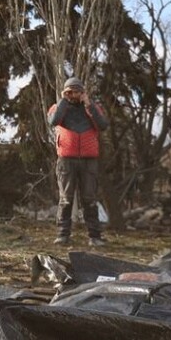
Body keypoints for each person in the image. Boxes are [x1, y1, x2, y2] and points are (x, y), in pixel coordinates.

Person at [47, 76, 110, 246]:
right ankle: (62, 234)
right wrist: (63, 101)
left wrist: (88, 104)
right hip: (66, 160)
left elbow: (103, 125)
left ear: (82, 92)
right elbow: (53, 121)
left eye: (76, 91)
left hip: (89, 161)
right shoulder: (58, 108)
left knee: (90, 199)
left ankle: (95, 236)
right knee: (66, 199)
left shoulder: (92, 108)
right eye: (70, 91)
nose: (73, 94)